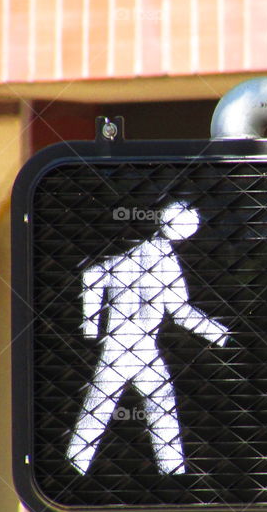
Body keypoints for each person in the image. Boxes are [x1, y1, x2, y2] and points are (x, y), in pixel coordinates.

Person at [67, 201, 229, 475]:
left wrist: (91, 326)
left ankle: (76, 463)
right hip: (138, 346)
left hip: (121, 346)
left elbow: (92, 276)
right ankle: (173, 472)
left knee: (102, 407)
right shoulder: (165, 261)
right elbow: (179, 311)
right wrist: (217, 333)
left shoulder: (132, 253)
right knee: (158, 406)